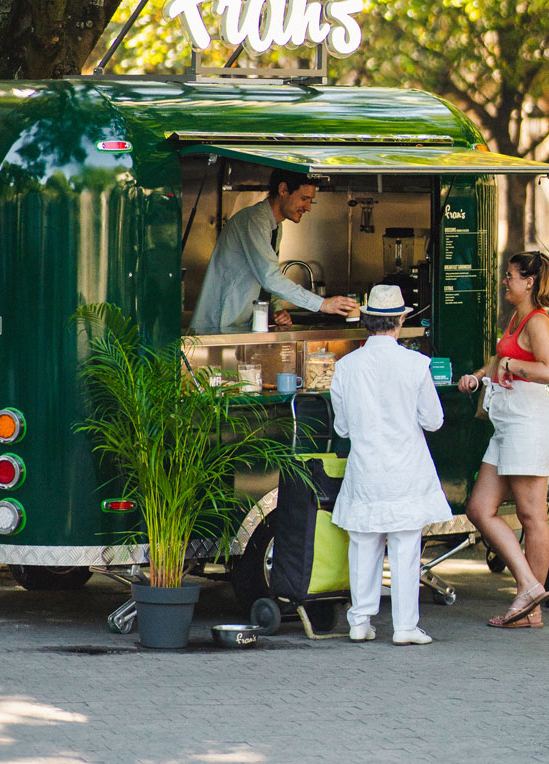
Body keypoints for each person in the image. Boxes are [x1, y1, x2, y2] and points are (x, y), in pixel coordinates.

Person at [329, 283, 450, 646]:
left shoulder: (345, 367)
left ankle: (359, 621)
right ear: (400, 321)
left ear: (366, 321)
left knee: (362, 545)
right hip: (405, 470)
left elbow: (342, 427)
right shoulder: (416, 364)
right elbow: (433, 421)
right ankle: (404, 626)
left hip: (365, 469)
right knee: (405, 549)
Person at [457, 250, 549, 629]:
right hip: (508, 425)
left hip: (528, 423)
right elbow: (498, 359)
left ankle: (530, 608)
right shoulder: (516, 317)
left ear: (529, 282)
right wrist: (477, 375)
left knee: (532, 516)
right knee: (479, 508)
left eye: (511, 275)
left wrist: (512, 365)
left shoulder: (538, 321)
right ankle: (530, 587)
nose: (505, 281)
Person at [189, 170, 360, 333]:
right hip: (219, 326)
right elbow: (269, 277)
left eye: (311, 201)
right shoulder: (254, 221)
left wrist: (277, 310)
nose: (308, 208)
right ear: (283, 190)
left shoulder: (275, 226)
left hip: (239, 325)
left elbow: (270, 274)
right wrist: (322, 304)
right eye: (304, 199)